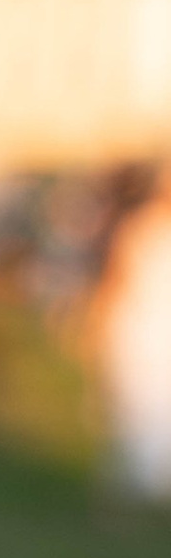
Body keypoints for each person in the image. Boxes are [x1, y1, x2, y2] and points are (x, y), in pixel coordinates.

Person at [91, 171, 171, 495]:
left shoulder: (137, 226)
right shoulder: (139, 228)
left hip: (145, 331)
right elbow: (117, 281)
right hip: (142, 332)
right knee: (138, 414)